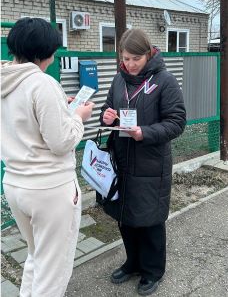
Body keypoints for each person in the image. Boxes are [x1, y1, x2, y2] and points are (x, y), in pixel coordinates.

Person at [1, 17, 94, 297]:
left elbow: (25, 122)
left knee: (36, 256)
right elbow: (62, 142)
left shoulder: (5, 80)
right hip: (49, 189)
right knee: (53, 271)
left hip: (16, 184)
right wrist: (78, 117)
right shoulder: (42, 84)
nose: (54, 58)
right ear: (44, 52)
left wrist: (60, 109)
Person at [100, 28, 186, 296]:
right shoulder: (119, 80)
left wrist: (144, 133)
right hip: (122, 161)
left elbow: (176, 122)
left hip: (151, 164)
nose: (130, 64)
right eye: (125, 58)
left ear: (148, 54)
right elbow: (108, 108)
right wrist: (107, 116)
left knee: (149, 221)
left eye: (136, 58)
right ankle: (132, 263)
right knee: (126, 218)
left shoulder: (165, 81)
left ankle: (152, 271)